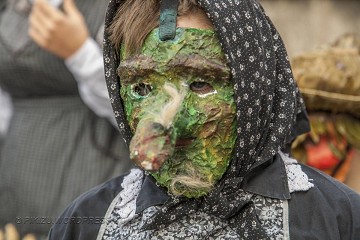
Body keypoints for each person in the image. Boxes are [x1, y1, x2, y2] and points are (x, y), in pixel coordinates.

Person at [49, 0, 360, 239]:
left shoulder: (335, 218)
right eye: (142, 88)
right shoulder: (87, 222)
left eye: (200, 84)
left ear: (254, 88)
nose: (168, 123)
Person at [0, 0, 132, 238]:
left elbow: (141, 112)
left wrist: (80, 53)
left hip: (91, 168)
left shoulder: (124, 8)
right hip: (15, 184)